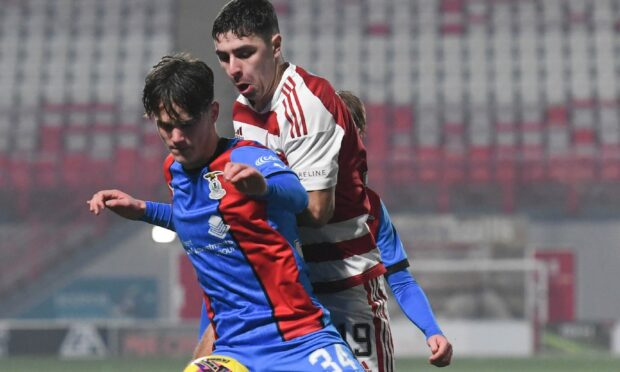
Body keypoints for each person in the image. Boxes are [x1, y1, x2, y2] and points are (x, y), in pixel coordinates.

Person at [87, 53, 364, 372]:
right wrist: (143, 210)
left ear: (212, 113)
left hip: (297, 338)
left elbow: (299, 197)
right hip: (233, 351)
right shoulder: (173, 171)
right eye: (166, 126)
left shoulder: (248, 156)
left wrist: (263, 188)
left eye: (187, 125)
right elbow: (203, 220)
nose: (176, 138)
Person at [201, 1, 386, 370]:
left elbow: (318, 211)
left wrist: (259, 196)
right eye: (224, 57)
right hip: (289, 286)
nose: (234, 69)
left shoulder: (305, 103)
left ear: (275, 45)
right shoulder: (243, 108)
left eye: (245, 53)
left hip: (343, 279)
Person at [337, 90, 453, 367]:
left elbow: (400, 279)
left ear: (359, 133)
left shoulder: (372, 208)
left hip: (362, 330)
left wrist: (432, 330)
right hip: (307, 327)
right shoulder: (292, 198)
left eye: (344, 128)